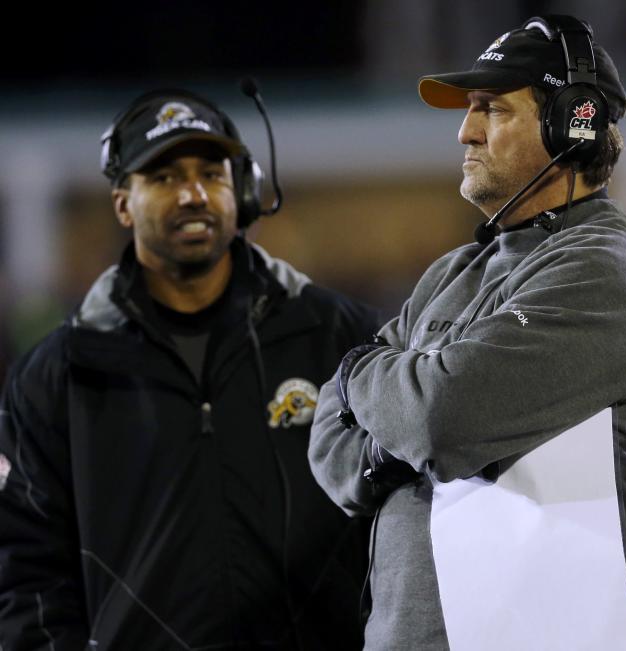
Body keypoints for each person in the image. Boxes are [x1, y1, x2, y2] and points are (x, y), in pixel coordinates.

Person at [309, 15, 626, 651]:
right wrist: (389, 440)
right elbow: (329, 448)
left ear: (572, 125)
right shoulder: (453, 271)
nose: (465, 130)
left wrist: (356, 375)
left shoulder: (606, 273)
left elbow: (442, 419)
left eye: (492, 109)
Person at [0, 88, 380, 649]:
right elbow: (24, 572)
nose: (194, 194)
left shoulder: (337, 337)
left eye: (211, 173)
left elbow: (403, 518)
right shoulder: (57, 376)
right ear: (123, 204)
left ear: (242, 191)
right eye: (164, 177)